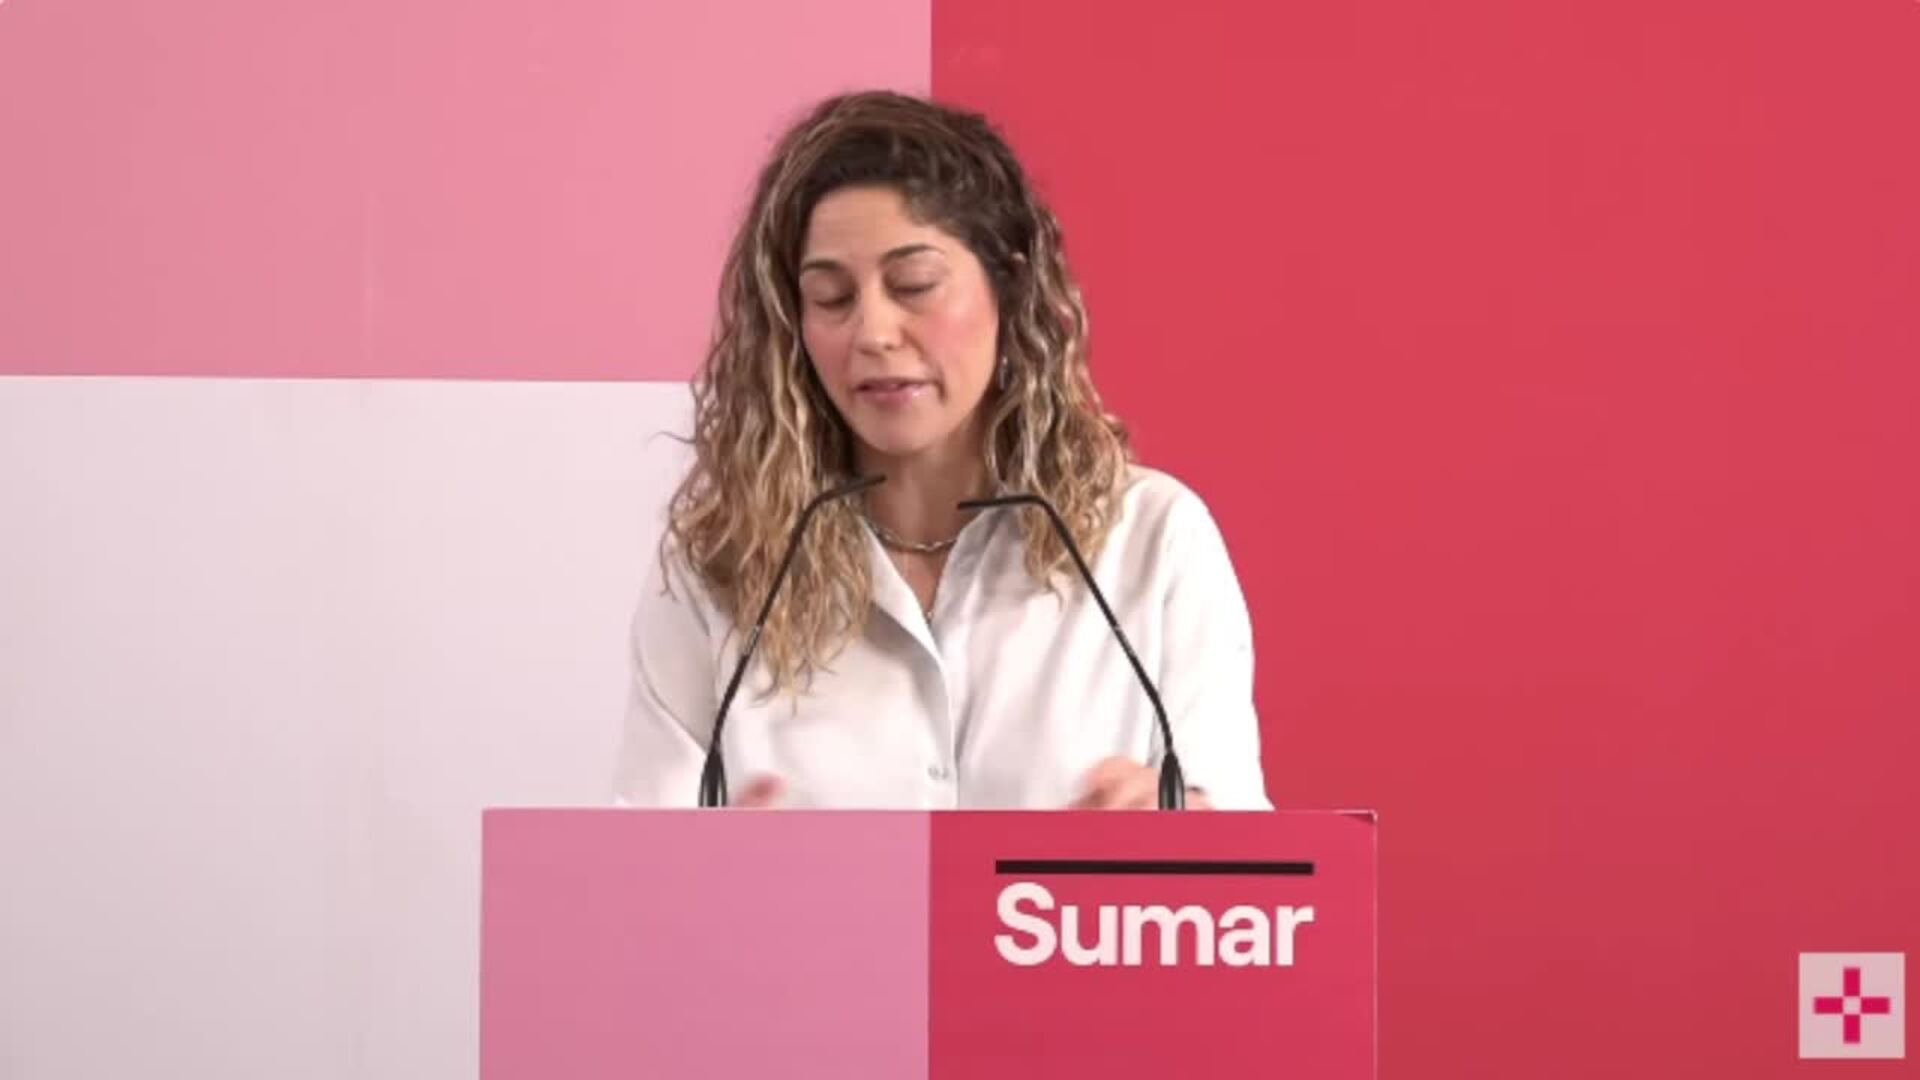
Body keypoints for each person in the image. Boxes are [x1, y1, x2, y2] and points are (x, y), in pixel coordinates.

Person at [614, 91, 1269, 810]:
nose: (873, 332)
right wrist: (710, 866)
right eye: (831, 298)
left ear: (1010, 290)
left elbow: (1245, 853)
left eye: (914, 285)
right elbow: (643, 861)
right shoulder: (720, 563)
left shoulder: (1151, 538)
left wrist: (1185, 833)